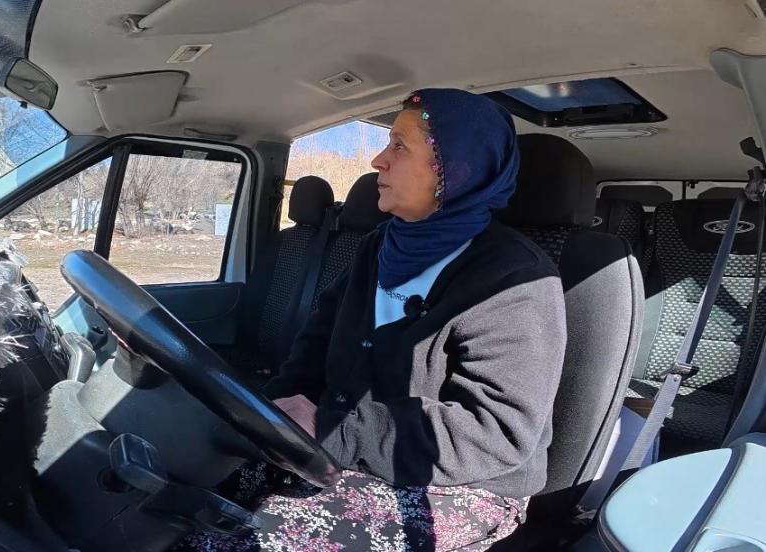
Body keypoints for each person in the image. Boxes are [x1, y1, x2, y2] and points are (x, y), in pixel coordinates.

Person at [184, 88, 566, 551]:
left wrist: (335, 427)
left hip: (466, 483)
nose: (378, 161)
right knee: (187, 489)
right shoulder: (380, 246)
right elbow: (314, 345)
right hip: (353, 446)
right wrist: (274, 415)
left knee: (241, 541)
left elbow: (495, 433)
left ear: (457, 167)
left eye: (399, 146)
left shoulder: (514, 277)